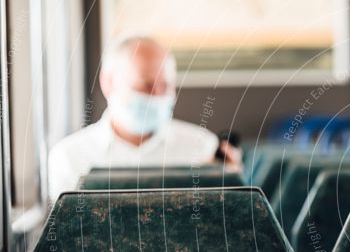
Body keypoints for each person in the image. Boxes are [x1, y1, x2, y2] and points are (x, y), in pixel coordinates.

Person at [48, 36, 241, 200]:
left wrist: (235, 185)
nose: (157, 97)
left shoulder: (202, 147)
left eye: (165, 86)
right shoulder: (69, 158)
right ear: (108, 83)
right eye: (146, 86)